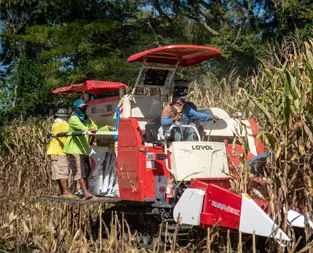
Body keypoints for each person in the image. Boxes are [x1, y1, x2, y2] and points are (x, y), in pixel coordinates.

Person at [63, 99, 114, 200]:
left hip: (83, 149)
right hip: (75, 149)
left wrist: (107, 128)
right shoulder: (73, 118)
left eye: (85, 107)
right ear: (77, 108)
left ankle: (84, 191)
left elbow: (95, 128)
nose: (84, 109)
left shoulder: (86, 118)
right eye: (82, 108)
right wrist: (89, 129)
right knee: (80, 172)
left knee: (85, 171)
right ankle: (86, 193)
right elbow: (83, 128)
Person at [46, 108, 76, 198]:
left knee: (58, 173)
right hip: (59, 151)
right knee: (63, 172)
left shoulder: (55, 124)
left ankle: (62, 191)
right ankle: (66, 192)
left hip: (53, 151)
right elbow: (73, 130)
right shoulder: (63, 125)